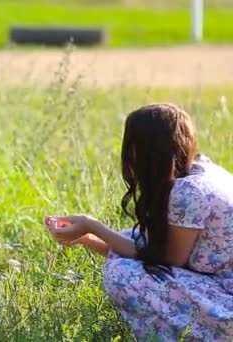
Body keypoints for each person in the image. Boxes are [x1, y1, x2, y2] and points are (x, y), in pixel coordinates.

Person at [45, 103, 233, 341]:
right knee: (131, 238)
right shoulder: (204, 170)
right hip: (222, 286)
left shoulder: (189, 192)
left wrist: (93, 225)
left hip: (226, 302)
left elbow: (168, 260)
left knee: (122, 274)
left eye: (133, 145)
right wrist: (89, 238)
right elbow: (153, 249)